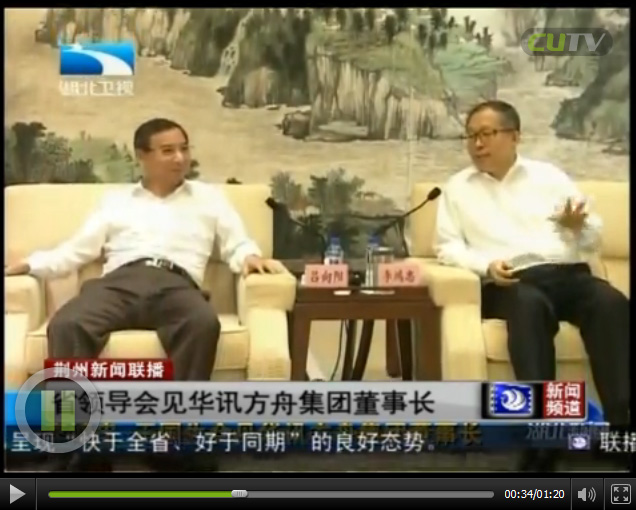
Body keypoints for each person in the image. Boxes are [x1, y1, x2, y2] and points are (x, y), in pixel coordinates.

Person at [5, 118, 283, 471]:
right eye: (168, 151)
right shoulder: (116, 201)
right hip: (119, 282)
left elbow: (237, 243)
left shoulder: (209, 199)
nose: (180, 158)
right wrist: (30, 264)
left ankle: (176, 441)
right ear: (143, 156)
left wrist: (250, 258)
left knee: (201, 323)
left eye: (184, 149)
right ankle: (75, 445)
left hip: (176, 283)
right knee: (67, 324)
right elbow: (75, 251)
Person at [434, 100, 629, 471]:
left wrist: (579, 228)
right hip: (509, 280)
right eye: (471, 136)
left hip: (567, 273)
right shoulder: (457, 188)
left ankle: (620, 427)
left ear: (515, 136)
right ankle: (542, 437)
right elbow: (447, 247)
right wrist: (486, 266)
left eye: (486, 133)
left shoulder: (549, 177)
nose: (477, 144)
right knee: (528, 306)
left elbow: (592, 237)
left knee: (611, 302)